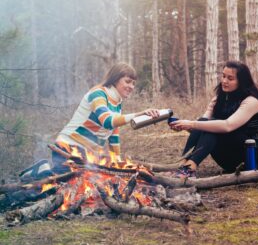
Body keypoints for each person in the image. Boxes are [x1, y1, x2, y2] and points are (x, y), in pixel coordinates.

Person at [20, 62, 159, 180]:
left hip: (87, 154)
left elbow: (113, 132)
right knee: (61, 182)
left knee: (88, 183)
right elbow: (108, 121)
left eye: (134, 83)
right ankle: (39, 169)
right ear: (115, 79)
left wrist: (116, 160)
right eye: (127, 81)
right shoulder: (98, 93)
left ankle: (46, 171)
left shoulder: (117, 102)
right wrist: (137, 115)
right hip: (68, 147)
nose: (131, 87)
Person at [170, 61, 258, 178]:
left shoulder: (251, 101)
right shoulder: (218, 99)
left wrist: (191, 124)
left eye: (230, 78)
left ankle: (189, 169)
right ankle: (184, 165)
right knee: (204, 123)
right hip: (230, 157)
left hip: (255, 157)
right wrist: (183, 126)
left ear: (242, 81)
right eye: (223, 76)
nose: (224, 81)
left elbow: (227, 126)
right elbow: (201, 126)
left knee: (211, 128)